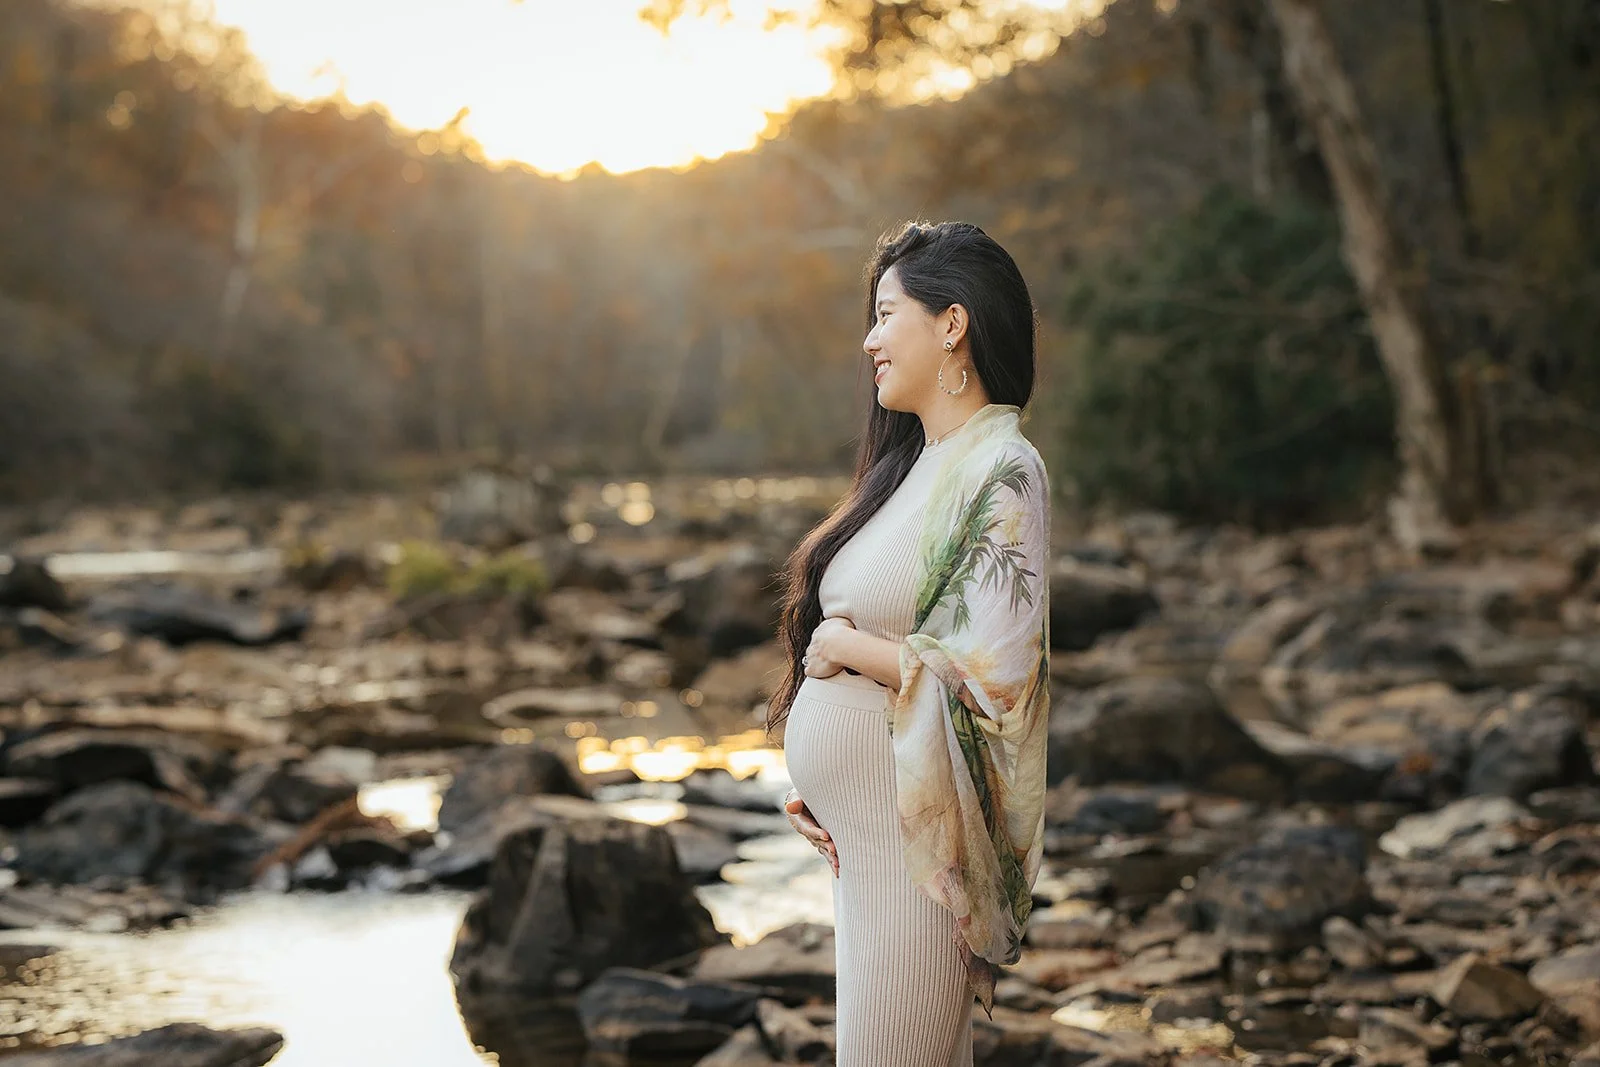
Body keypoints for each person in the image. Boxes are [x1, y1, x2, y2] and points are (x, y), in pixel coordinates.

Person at [770, 220, 1052, 1066]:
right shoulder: (913, 465)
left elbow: (996, 683)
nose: (869, 339)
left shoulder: (1004, 468)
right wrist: (828, 793)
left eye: (888, 314)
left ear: (952, 323)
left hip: (917, 860)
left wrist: (847, 652)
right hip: (869, 851)